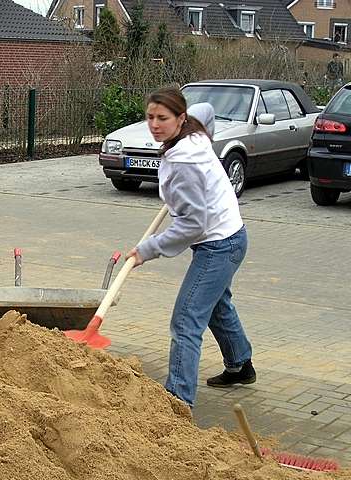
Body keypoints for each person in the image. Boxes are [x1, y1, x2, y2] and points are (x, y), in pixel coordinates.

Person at [126, 87, 254, 408]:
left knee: (186, 320)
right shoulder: (195, 130)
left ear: (180, 118)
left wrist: (148, 249)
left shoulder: (185, 164)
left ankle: (178, 400)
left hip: (219, 245)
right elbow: (208, 109)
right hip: (230, 237)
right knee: (215, 305)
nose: (155, 125)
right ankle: (240, 364)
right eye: (150, 117)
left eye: (163, 118)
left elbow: (193, 224)